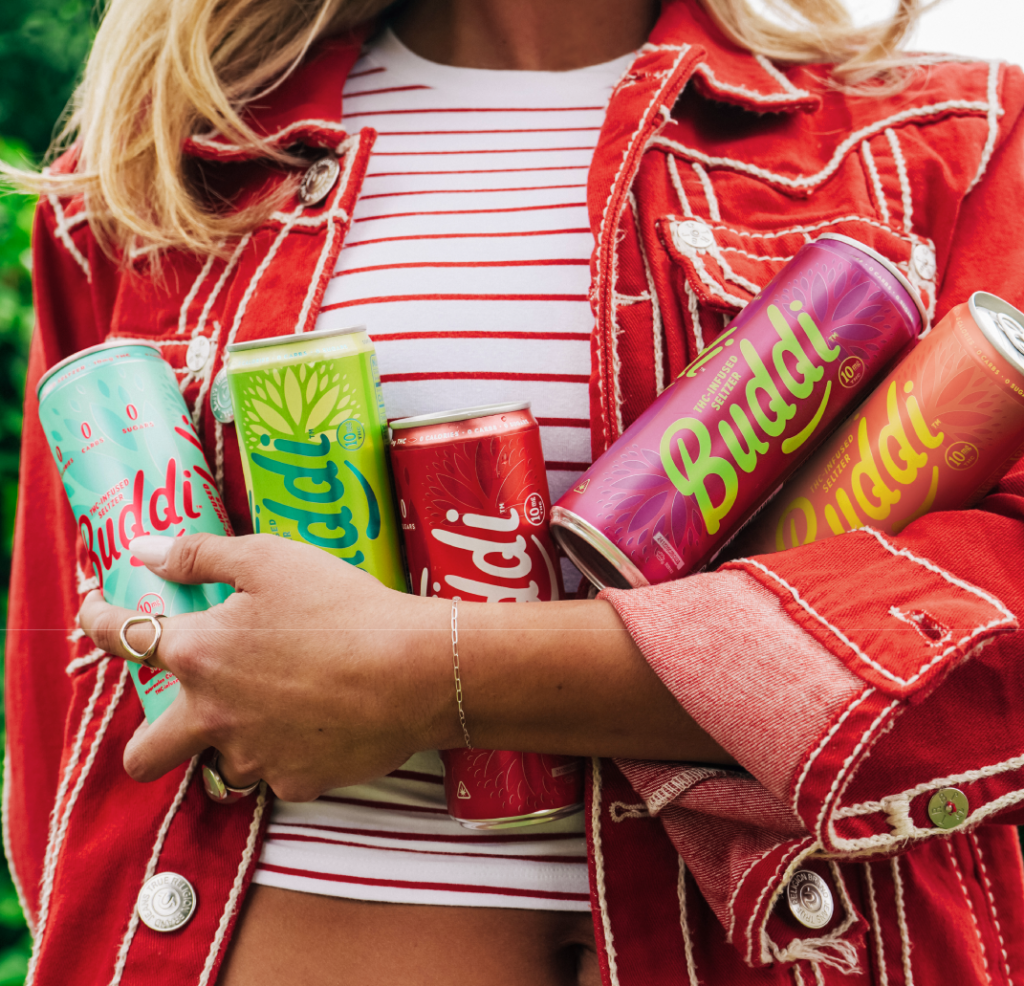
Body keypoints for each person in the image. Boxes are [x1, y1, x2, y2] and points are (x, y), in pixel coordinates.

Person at [6, 0, 1024, 982]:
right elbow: (76, 729)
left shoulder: (953, 138)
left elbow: (997, 643)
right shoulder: (155, 171)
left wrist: (431, 672)